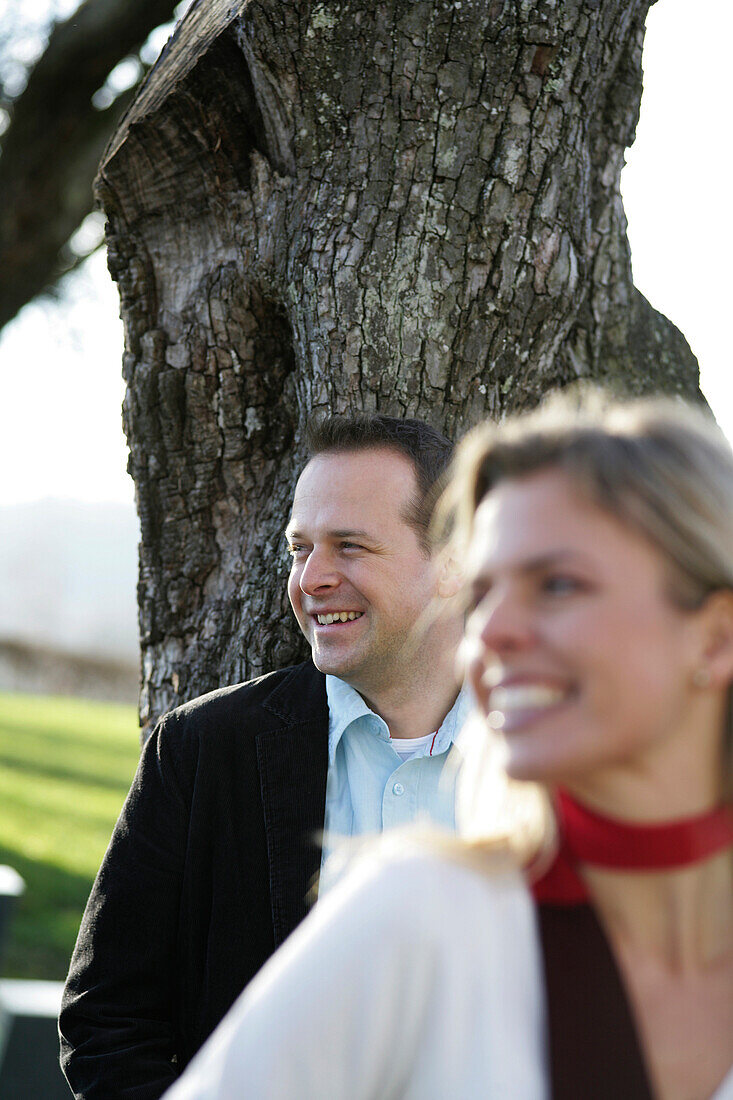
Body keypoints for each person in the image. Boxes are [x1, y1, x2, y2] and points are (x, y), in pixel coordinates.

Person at [162, 390, 733, 1100]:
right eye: (487, 591)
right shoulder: (418, 915)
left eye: (556, 584)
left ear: (713, 636)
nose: (489, 633)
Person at [59, 414, 467, 1100]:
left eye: (350, 547)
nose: (311, 578)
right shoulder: (202, 751)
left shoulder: (565, 761)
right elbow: (106, 1023)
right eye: (299, 548)